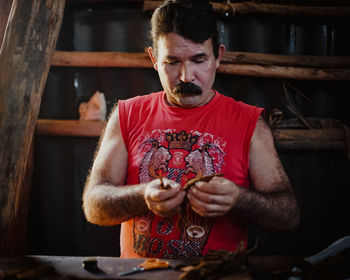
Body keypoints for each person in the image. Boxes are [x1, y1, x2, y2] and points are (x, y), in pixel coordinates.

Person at [83, 0, 300, 258]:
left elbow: (288, 215)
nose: (186, 76)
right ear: (153, 58)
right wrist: (143, 196)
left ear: (218, 56)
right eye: (172, 62)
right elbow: (94, 206)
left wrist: (239, 199)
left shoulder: (249, 123)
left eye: (199, 60)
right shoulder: (127, 115)